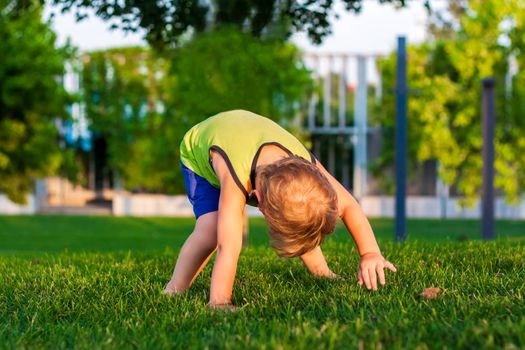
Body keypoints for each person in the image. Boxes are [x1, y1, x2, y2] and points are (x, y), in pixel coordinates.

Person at [164, 110, 396, 309]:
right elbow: (229, 245)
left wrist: (370, 253)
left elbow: (350, 206)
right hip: (202, 152)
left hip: (247, 135)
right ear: (258, 199)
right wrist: (221, 301)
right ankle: (174, 290)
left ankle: (323, 273)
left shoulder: (307, 166)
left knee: (299, 214)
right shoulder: (236, 178)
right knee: (211, 231)